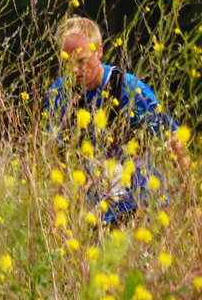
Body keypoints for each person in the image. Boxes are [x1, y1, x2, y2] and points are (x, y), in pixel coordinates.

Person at [46, 15, 189, 224]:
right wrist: (57, 214)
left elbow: (174, 138)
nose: (74, 69)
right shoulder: (59, 93)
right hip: (95, 214)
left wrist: (191, 202)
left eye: (81, 60)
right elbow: (57, 158)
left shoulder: (129, 88)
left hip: (142, 208)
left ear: (99, 51)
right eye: (67, 62)